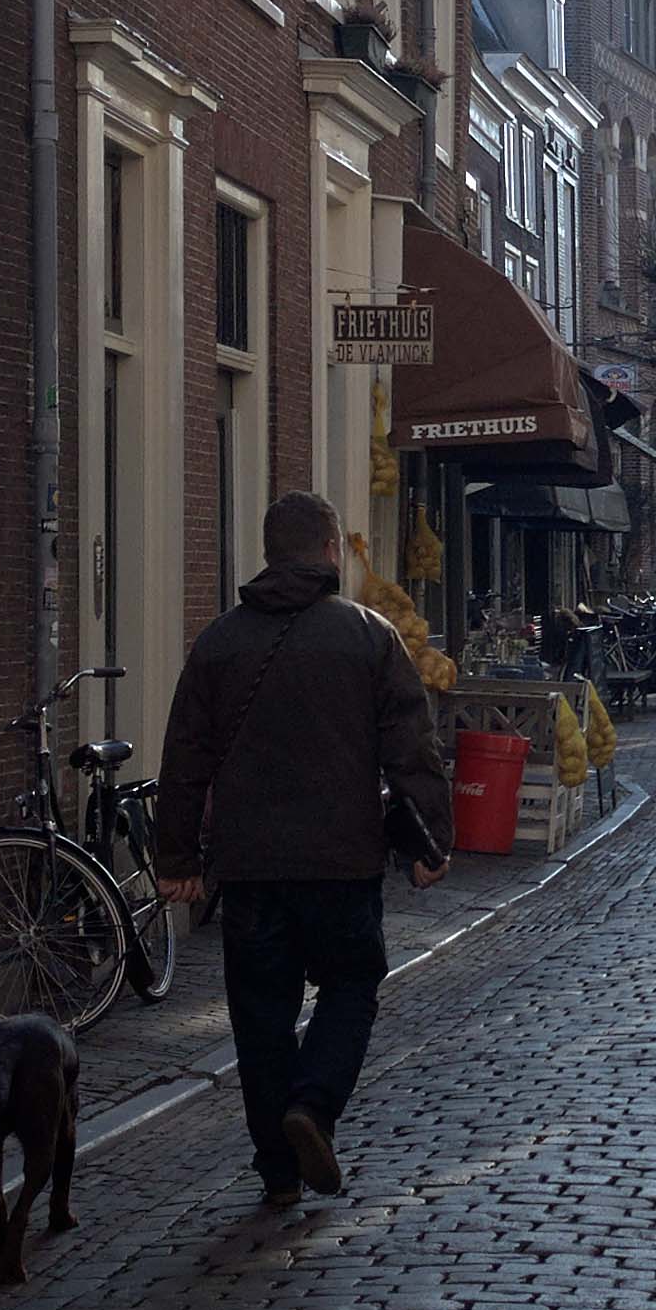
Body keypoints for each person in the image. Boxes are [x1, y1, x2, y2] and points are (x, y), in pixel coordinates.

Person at [156, 491, 453, 1209]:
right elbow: (410, 748)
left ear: (268, 552)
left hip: (252, 868)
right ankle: (312, 1107)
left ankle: (278, 1171)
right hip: (341, 862)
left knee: (260, 1015)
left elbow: (185, 756)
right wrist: (431, 838)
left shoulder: (219, 643)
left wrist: (177, 860)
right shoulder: (368, 635)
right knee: (351, 986)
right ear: (327, 552)